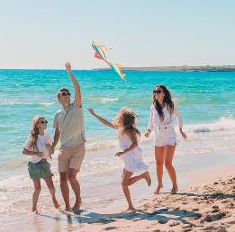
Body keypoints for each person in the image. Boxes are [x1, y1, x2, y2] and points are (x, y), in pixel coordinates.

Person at [88, 108, 151, 211]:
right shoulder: (121, 127)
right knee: (124, 183)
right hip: (127, 156)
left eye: (120, 116)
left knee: (124, 184)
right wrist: (94, 114)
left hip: (131, 156)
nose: (118, 117)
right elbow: (106, 123)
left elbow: (135, 144)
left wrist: (124, 152)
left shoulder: (129, 131)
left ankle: (143, 176)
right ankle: (130, 205)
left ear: (124, 119)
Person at [51, 62, 86, 212]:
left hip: (78, 148)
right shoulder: (57, 114)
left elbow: (78, 89)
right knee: (62, 179)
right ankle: (67, 206)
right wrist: (52, 148)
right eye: (63, 94)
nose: (66, 95)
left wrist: (69, 72)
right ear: (58, 98)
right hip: (63, 150)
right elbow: (57, 133)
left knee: (72, 177)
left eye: (67, 93)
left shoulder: (76, 106)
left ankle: (78, 200)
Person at [145, 85, 187, 194]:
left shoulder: (170, 105)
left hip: (169, 135)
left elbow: (179, 117)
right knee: (158, 163)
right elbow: (150, 120)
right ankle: (159, 185)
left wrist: (181, 130)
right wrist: (148, 130)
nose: (156, 93)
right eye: (155, 91)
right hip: (158, 136)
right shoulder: (153, 106)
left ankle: (175, 185)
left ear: (164, 93)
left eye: (159, 91)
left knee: (168, 163)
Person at [22, 116, 60, 212]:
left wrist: (50, 149)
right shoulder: (32, 137)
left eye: (45, 121)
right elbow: (24, 151)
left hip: (43, 163)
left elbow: (50, 150)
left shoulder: (47, 136)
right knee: (37, 189)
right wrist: (36, 153)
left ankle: (54, 198)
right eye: (42, 122)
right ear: (37, 125)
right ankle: (34, 208)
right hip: (33, 165)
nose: (44, 123)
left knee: (51, 186)